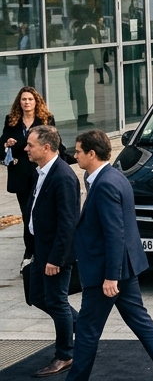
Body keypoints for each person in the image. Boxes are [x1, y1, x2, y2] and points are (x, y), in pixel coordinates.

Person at [69, 130, 153, 381]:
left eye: (78, 151)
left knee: (87, 331)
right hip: (125, 267)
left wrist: (111, 277)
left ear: (92, 153)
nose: (75, 156)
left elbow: (114, 234)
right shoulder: (114, 177)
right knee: (140, 320)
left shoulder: (106, 183)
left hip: (106, 272)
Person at [24, 125, 79, 378]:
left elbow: (68, 223)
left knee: (56, 301)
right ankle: (82, 325)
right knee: (37, 295)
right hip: (40, 249)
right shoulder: (40, 172)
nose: (26, 148)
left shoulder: (63, 177)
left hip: (55, 254)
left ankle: (65, 355)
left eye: (31, 145)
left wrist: (56, 259)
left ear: (46, 147)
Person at [5, 86, 56, 256]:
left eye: (30, 99)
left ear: (36, 102)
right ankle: (30, 251)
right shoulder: (11, 120)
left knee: (42, 213)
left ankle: (42, 249)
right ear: (19, 102)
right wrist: (7, 144)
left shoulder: (46, 119)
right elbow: (2, 144)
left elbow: (55, 144)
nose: (27, 102)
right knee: (27, 215)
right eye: (24, 99)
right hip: (20, 175)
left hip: (40, 172)